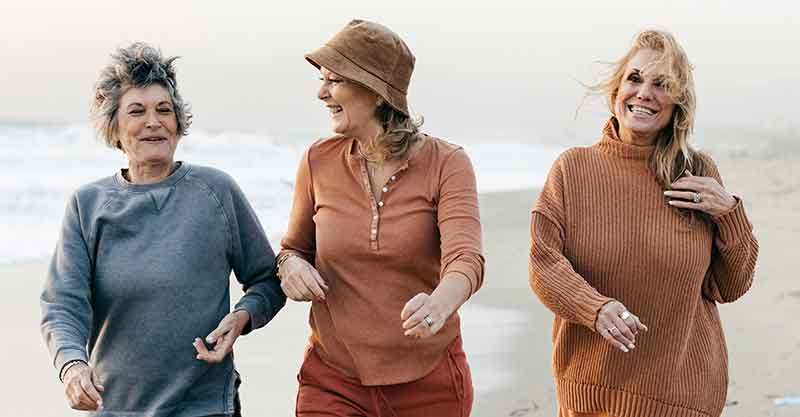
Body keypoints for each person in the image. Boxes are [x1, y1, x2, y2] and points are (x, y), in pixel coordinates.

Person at [40, 42, 285, 417]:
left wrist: (243, 317)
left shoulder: (216, 191)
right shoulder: (87, 205)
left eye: (164, 110)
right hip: (116, 406)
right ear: (115, 128)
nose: (153, 121)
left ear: (178, 122)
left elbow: (268, 280)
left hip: (206, 406)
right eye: (137, 111)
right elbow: (63, 304)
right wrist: (72, 366)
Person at [529, 30, 759, 417]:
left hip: (682, 398)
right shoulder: (573, 169)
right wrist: (596, 308)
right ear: (617, 89)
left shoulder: (697, 172)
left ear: (678, 102)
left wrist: (729, 215)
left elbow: (731, 286)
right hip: (592, 395)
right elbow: (543, 265)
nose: (644, 93)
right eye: (635, 79)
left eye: (662, 84)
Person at [278, 20, 484, 417]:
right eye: (322, 80)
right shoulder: (317, 161)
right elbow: (293, 249)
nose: (322, 93)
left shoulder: (448, 164)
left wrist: (440, 304)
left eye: (334, 80)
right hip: (331, 381)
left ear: (374, 91)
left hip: (429, 383)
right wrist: (290, 267)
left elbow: (466, 260)